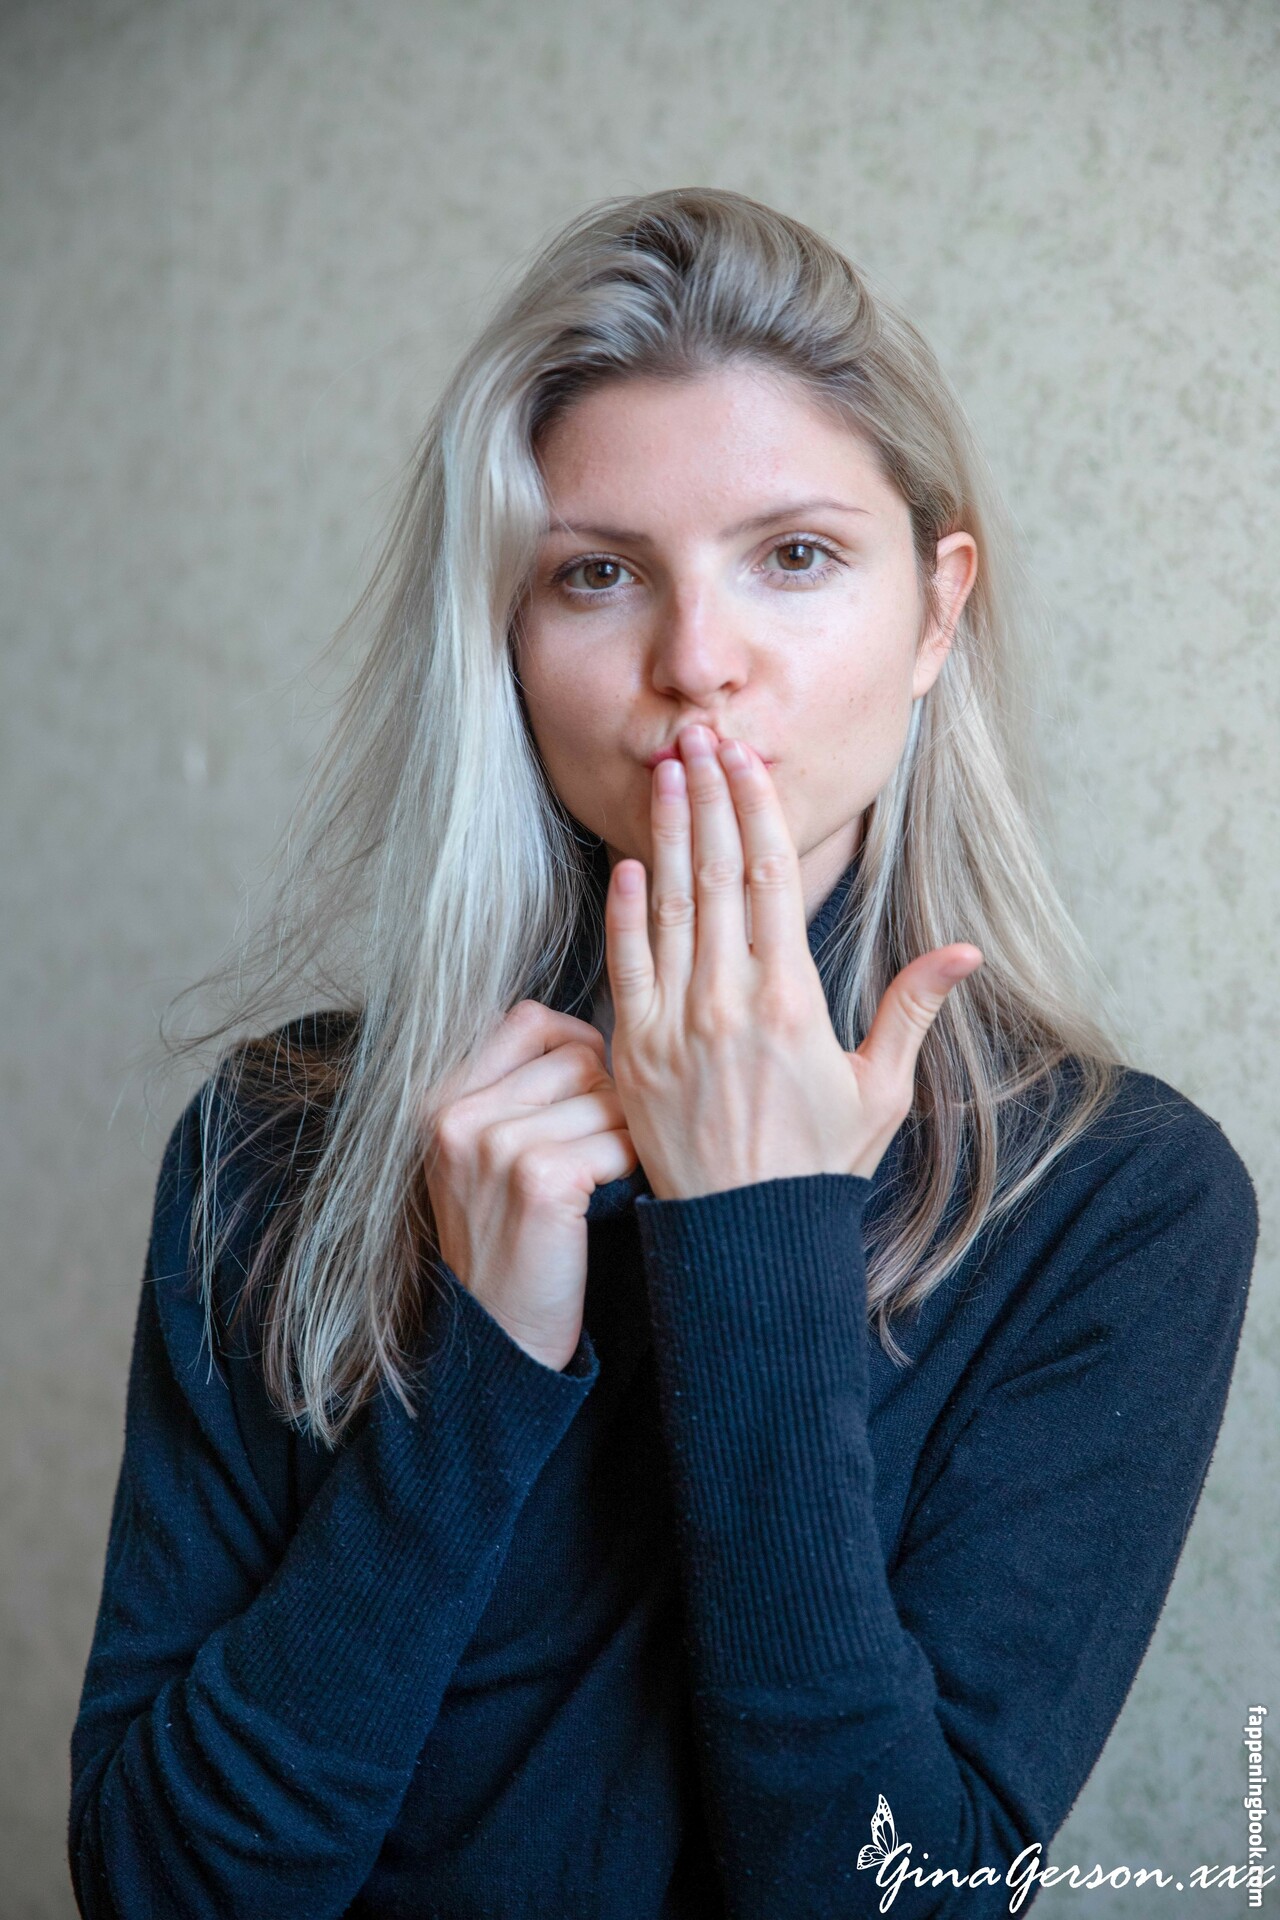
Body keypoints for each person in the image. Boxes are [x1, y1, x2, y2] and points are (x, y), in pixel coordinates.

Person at [69, 188, 1258, 1919]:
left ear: (935, 615)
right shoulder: (274, 1137)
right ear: (506, 636)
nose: (697, 662)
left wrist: (754, 1239)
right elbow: (162, 1890)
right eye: (598, 574)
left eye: (796, 556)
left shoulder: (1119, 1203)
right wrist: (479, 1369)